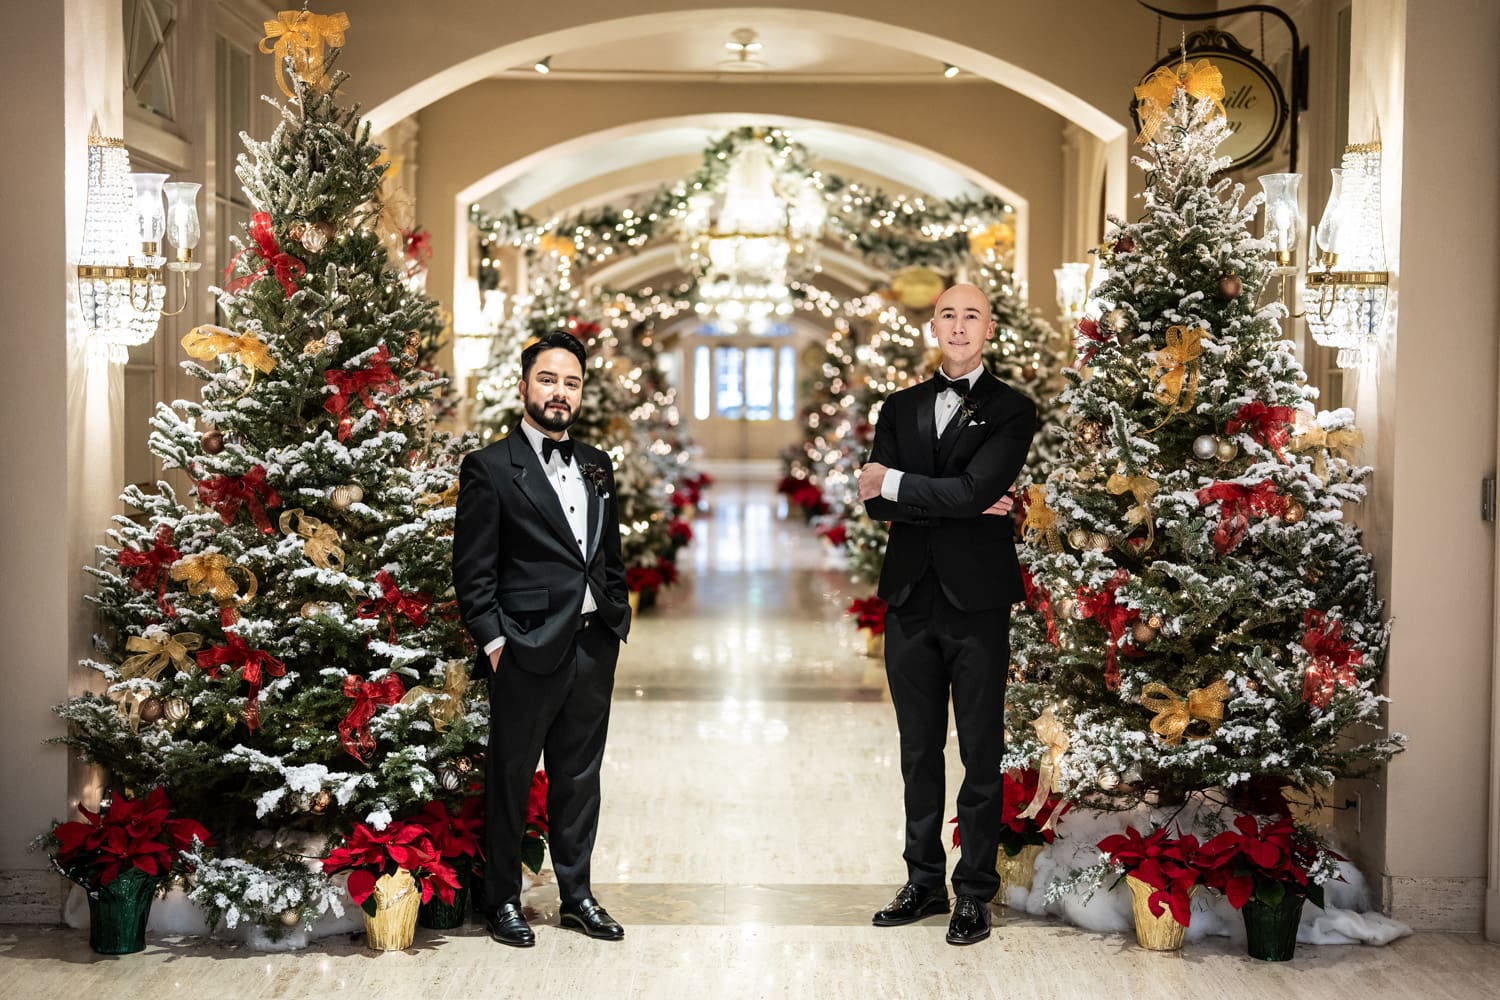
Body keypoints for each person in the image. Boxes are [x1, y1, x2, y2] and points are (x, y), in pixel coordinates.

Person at [857, 282, 1036, 945]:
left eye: (972, 316)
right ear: (933, 328)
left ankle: (974, 893)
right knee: (917, 751)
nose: (959, 326)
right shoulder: (898, 407)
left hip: (979, 603)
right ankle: (923, 880)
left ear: (989, 330)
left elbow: (973, 489)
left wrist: (902, 483)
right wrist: (958, 499)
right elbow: (876, 506)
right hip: (909, 597)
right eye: (947, 315)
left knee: (981, 752)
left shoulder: (1013, 410)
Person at [453, 330, 633, 948]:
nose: (560, 393)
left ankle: (577, 894)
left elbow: (607, 553)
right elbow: (473, 570)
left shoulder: (596, 463)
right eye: (549, 380)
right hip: (525, 646)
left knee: (580, 775)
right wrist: (495, 643)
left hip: (591, 643)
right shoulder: (490, 467)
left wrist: (616, 611)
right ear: (524, 386)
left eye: (572, 383)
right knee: (511, 775)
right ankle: (501, 898)